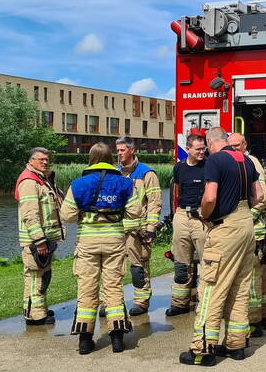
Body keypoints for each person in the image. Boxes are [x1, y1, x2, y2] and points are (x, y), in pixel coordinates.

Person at [180, 126, 262, 366]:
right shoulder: (246, 161)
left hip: (225, 229)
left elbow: (210, 197)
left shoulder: (215, 161)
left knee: (211, 288)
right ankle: (236, 345)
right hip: (246, 226)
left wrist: (204, 216)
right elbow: (258, 196)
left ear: (209, 142)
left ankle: (202, 350)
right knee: (239, 288)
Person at [60, 143, 140, 354]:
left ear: (91, 158)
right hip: (114, 241)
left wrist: (84, 213)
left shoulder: (78, 184)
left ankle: (85, 341)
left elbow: (66, 216)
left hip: (87, 242)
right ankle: (117, 339)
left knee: (87, 288)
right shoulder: (125, 183)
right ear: (111, 158)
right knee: (113, 288)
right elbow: (136, 211)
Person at [226, 132, 266, 335]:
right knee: (261, 274)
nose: (233, 149)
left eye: (237, 145)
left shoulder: (250, 163)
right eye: (230, 146)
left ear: (245, 145)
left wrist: (244, 218)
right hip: (254, 229)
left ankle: (254, 322)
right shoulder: (241, 162)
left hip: (254, 230)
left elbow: (262, 198)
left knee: (252, 279)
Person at [15, 147, 64, 325]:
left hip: (44, 239)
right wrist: (39, 240)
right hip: (35, 241)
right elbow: (30, 214)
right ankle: (34, 316)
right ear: (31, 161)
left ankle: (39, 309)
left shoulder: (41, 179)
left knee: (43, 275)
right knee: (36, 277)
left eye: (46, 159)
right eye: (40, 159)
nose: (45, 162)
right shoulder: (29, 182)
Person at [116, 137, 162, 316]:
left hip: (138, 231)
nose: (119, 153)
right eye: (117, 150)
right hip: (117, 229)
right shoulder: (115, 173)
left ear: (132, 150)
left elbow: (155, 202)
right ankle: (111, 303)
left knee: (138, 268)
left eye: (122, 150)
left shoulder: (146, 174)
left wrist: (151, 228)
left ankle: (141, 302)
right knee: (113, 268)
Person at [166, 133, 207, 316]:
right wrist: (175, 215)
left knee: (207, 262)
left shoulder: (209, 166)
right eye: (198, 149)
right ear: (188, 149)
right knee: (181, 263)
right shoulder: (179, 168)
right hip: (182, 215)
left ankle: (205, 304)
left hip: (202, 217)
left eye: (203, 148)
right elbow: (176, 192)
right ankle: (180, 303)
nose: (201, 152)